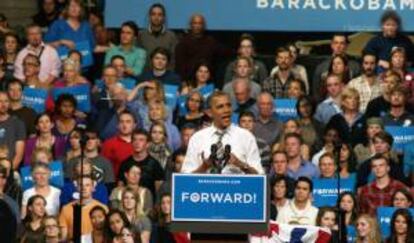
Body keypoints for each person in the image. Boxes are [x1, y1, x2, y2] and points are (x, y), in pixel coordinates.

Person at [182, 91, 264, 174]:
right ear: (209, 112)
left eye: (228, 105)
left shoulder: (246, 137)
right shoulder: (197, 138)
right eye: (220, 107)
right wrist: (204, 167)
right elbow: (185, 178)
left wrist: (241, 165)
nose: (226, 110)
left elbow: (259, 176)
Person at [175, 14, 231, 81]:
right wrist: (183, 82)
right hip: (189, 82)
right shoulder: (183, 43)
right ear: (190, 25)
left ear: (203, 26)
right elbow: (180, 66)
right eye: (195, 23)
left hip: (208, 82)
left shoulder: (210, 42)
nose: (197, 26)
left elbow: (225, 52)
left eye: (200, 23)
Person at [59, 175, 108, 240]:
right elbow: (64, 237)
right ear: (77, 188)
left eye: (87, 185)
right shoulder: (66, 209)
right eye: (81, 185)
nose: (83, 188)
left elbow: (107, 233)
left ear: (93, 188)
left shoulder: (103, 208)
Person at [118, 129, 164, 198]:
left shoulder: (155, 165)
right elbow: (120, 189)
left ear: (147, 144)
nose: (137, 143)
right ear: (132, 142)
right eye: (135, 140)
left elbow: (159, 191)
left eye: (141, 140)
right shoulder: (125, 164)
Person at [313, 34, 360, 99]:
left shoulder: (355, 66)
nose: (338, 46)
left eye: (342, 43)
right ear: (331, 45)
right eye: (336, 43)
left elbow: (359, 89)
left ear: (346, 46)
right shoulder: (321, 67)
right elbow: (316, 91)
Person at [137, 3, 178, 69]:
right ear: (149, 16)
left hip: (165, 75)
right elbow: (138, 58)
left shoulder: (171, 36)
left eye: (159, 15)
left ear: (163, 17)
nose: (156, 17)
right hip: (146, 75)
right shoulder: (141, 35)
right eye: (153, 14)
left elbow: (173, 59)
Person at [101, 110, 135, 177]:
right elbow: (103, 168)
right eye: (121, 122)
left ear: (134, 125)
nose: (124, 125)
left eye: (128, 122)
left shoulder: (140, 143)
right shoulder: (108, 144)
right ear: (117, 125)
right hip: (116, 183)